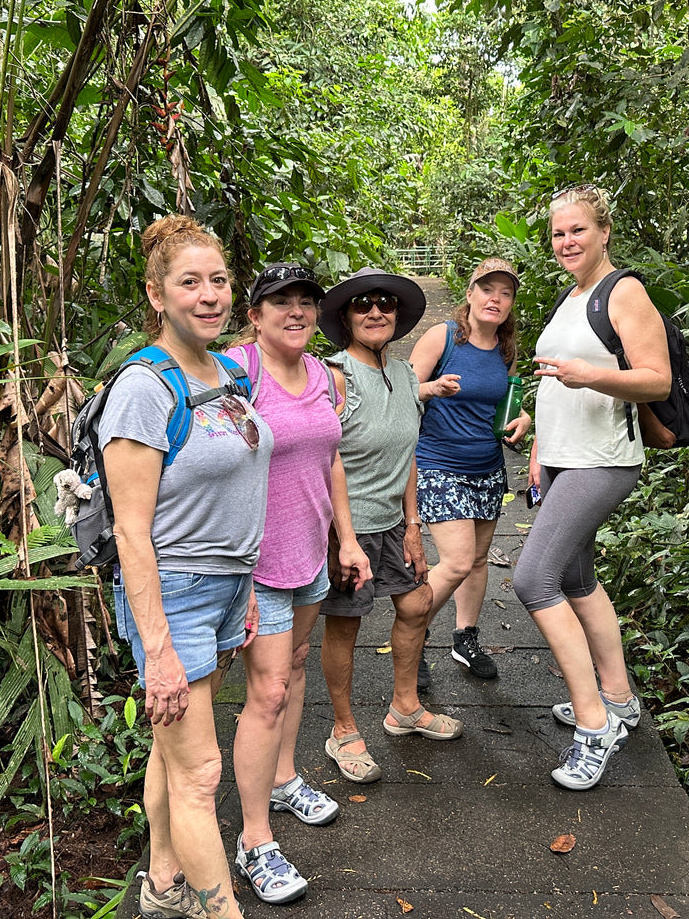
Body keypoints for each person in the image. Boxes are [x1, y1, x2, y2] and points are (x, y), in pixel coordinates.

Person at [104, 215, 273, 919]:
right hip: (171, 594)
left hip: (226, 587)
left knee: (172, 756)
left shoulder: (229, 372)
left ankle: (163, 887)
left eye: (218, 280)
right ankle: (217, 909)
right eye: (189, 283)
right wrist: (160, 650)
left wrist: (249, 584)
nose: (208, 296)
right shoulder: (143, 388)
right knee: (201, 773)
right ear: (156, 294)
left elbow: (239, 487)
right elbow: (130, 532)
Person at [223, 265, 373, 906]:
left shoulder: (321, 375)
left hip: (311, 553)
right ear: (253, 314)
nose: (296, 311)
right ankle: (254, 840)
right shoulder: (236, 372)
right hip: (257, 563)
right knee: (267, 690)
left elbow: (331, 458)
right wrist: (235, 570)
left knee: (299, 667)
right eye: (280, 301)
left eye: (306, 302)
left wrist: (348, 537)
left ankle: (283, 780)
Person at [517, 184, 671, 791]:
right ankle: (620, 698)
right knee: (577, 580)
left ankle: (594, 725)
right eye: (558, 234)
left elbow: (655, 381)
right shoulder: (569, 297)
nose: (566, 242)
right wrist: (536, 446)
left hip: (601, 461)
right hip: (559, 458)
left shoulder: (624, 292)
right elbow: (554, 382)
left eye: (577, 230)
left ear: (604, 232)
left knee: (532, 578)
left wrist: (593, 375)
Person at [318, 268, 464, 785]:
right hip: (346, 527)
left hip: (392, 523)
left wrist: (413, 523)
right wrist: (346, 538)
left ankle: (405, 707)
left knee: (417, 603)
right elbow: (323, 455)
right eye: (362, 304)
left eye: (384, 303)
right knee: (346, 623)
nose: (375, 311)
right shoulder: (334, 375)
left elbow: (408, 455)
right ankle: (343, 729)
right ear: (345, 318)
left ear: (397, 316)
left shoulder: (404, 377)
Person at [407, 257, 531, 681]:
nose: (495, 299)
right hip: (439, 463)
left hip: (488, 466)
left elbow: (506, 402)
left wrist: (523, 418)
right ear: (470, 293)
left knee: (478, 561)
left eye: (506, 293)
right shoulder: (443, 337)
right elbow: (403, 393)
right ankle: (412, 636)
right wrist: (431, 388)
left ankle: (465, 638)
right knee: (457, 562)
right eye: (487, 289)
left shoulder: (507, 349)